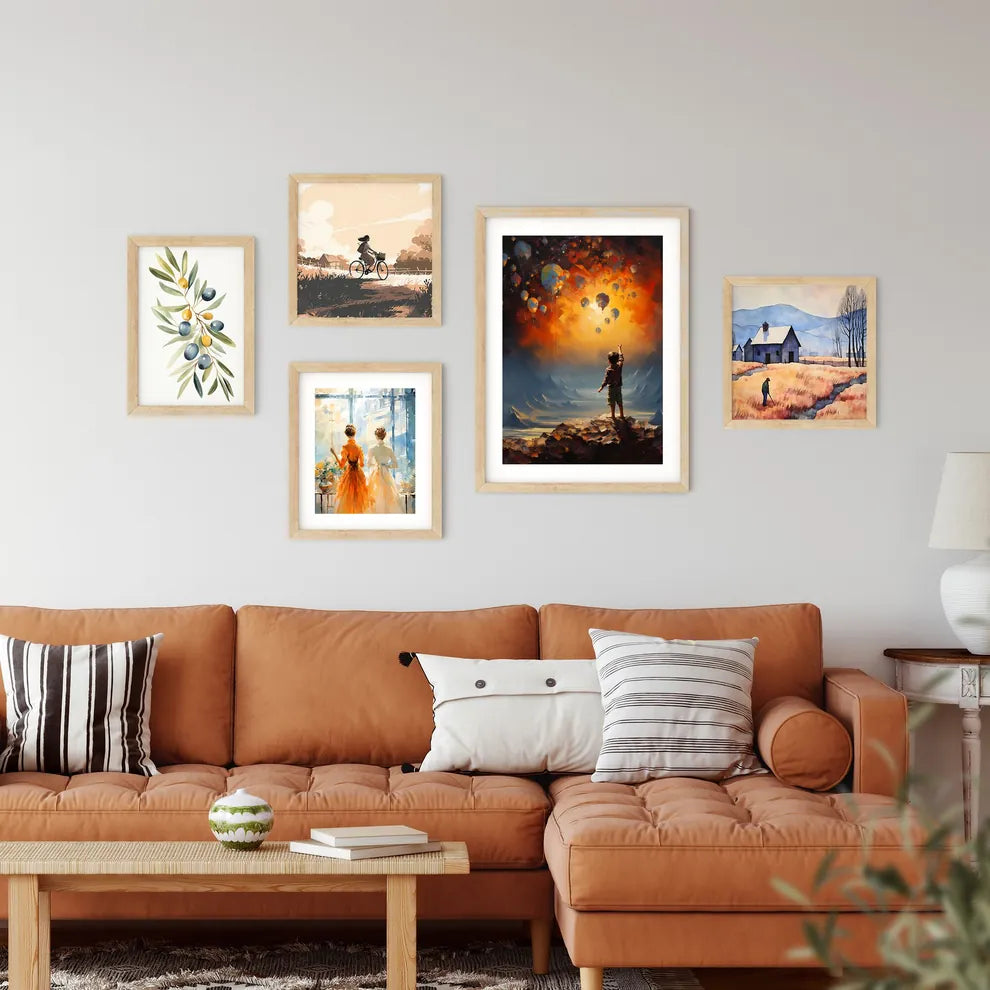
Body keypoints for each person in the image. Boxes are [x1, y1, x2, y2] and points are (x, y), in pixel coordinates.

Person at [331, 425, 369, 514]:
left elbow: (341, 465)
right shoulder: (359, 447)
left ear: (346, 435)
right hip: (358, 474)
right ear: (354, 434)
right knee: (358, 497)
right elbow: (362, 464)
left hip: (349, 474)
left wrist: (334, 454)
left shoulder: (345, 447)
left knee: (347, 496)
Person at [367, 427, 402, 514]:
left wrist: (376, 464)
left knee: (376, 494)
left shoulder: (372, 449)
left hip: (376, 473)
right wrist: (386, 466)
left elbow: (368, 464)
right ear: (384, 436)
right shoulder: (389, 449)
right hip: (386, 473)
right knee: (388, 494)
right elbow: (395, 464)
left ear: (376, 436)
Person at [597, 343, 625, 420]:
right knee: (619, 401)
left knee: (612, 402)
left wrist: (601, 387)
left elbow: (606, 380)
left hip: (611, 388)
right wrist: (619, 348)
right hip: (618, 387)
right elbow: (621, 357)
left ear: (609, 361)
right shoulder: (620, 366)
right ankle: (622, 415)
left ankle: (613, 416)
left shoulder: (608, 370)